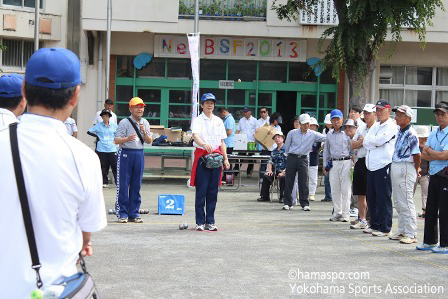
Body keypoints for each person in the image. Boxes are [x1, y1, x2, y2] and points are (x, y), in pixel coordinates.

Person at [0, 48, 107, 298]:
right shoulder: (84, 159)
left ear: (24, 90)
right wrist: (79, 245)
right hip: (55, 289)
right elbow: (85, 232)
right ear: (75, 96)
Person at [190, 93, 230, 231]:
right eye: (207, 102)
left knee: (213, 191)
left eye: (212, 102)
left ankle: (210, 221)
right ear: (202, 105)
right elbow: (195, 136)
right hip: (203, 157)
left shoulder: (219, 120)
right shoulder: (198, 120)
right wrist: (203, 144)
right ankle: (200, 222)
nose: (209, 105)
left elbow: (222, 142)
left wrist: (226, 158)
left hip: (217, 158)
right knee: (201, 190)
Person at [363, 99, 398, 237]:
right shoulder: (375, 126)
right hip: (371, 166)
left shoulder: (391, 126)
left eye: (381, 110)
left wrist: (374, 142)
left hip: (383, 165)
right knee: (371, 196)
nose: (379, 112)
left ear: (388, 110)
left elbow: (378, 141)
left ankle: (385, 227)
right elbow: (366, 142)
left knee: (383, 198)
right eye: (377, 110)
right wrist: (374, 142)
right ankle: (375, 224)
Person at [114, 97, 152, 223]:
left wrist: (144, 131)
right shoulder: (124, 122)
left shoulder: (145, 122)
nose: (140, 109)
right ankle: (122, 213)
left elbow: (149, 141)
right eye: (137, 106)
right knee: (123, 184)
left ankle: (134, 213)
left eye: (141, 107)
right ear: (130, 108)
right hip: (125, 153)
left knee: (136, 185)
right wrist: (127, 139)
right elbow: (116, 140)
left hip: (139, 153)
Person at [417, 101, 448, 253]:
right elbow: (423, 154)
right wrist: (436, 154)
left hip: (445, 175)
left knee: (444, 210)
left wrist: (432, 152)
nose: (440, 117)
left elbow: (444, 155)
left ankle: (445, 243)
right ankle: (429, 241)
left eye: (443, 114)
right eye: (437, 114)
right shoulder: (434, 133)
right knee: (430, 209)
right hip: (434, 174)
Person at [389, 105, 421, 244]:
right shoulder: (400, 131)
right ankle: (402, 230)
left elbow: (416, 154)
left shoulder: (411, 133)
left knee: (406, 201)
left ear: (408, 118)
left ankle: (411, 233)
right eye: (396, 115)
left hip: (406, 166)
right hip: (397, 165)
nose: (397, 117)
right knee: (398, 200)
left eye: (401, 115)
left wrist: (417, 168)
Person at [284, 114, 326, 211]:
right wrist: (288, 155)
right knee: (289, 180)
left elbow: (325, 138)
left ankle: (304, 203)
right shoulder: (292, 133)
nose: (306, 126)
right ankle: (287, 202)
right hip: (292, 157)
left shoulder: (313, 134)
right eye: (304, 124)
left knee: (303, 181)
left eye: (308, 123)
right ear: (300, 124)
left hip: (303, 158)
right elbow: (286, 146)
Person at [350, 104, 377, 230]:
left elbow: (374, 144)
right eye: (365, 113)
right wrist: (362, 141)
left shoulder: (378, 128)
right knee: (360, 192)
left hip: (372, 161)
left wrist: (363, 142)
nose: (366, 115)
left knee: (371, 193)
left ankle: (372, 220)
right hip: (360, 161)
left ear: (375, 114)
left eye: (369, 113)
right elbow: (353, 145)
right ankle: (362, 219)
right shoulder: (361, 128)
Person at [324, 110, 353, 222]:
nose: (336, 122)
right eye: (334, 119)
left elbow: (352, 147)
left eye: (338, 119)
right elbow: (326, 151)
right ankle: (337, 213)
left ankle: (346, 214)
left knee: (346, 189)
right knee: (335, 189)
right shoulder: (329, 134)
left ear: (342, 120)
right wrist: (325, 165)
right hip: (333, 163)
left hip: (346, 161)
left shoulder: (347, 132)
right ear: (331, 121)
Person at [88, 109, 118, 188]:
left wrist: (116, 140)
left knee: (114, 165)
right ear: (101, 117)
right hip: (102, 148)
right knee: (103, 166)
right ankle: (104, 182)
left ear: (109, 117)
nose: (105, 118)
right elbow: (89, 131)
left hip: (112, 148)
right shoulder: (98, 126)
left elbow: (119, 133)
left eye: (107, 116)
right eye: (104, 116)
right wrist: (97, 136)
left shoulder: (114, 126)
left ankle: (117, 182)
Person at [257, 132, 286, 202]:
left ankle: (283, 197)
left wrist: (284, 172)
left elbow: (291, 163)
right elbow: (270, 161)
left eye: (279, 137)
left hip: (286, 171)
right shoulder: (274, 151)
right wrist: (269, 170)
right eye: (275, 138)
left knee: (284, 177)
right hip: (276, 170)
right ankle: (265, 196)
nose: (277, 139)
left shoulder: (288, 149)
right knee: (266, 176)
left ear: (283, 138)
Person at [413, 126, 431, 218]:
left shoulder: (428, 147)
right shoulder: (414, 146)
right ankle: (409, 209)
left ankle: (425, 210)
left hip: (425, 174)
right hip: (414, 172)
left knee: (426, 193)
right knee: (410, 192)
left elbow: (430, 161)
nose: (423, 139)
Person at [235, 107, 257, 177]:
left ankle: (249, 172)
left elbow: (257, 131)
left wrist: (255, 141)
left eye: (246, 112)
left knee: (251, 158)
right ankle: (235, 171)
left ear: (250, 112)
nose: (245, 113)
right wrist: (236, 138)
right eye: (244, 112)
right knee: (240, 156)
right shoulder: (241, 120)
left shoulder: (254, 120)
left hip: (251, 141)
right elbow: (238, 130)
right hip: (243, 141)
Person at [218, 106, 236, 179]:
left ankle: (228, 177)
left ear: (224, 112)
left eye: (220, 114)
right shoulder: (227, 119)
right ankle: (226, 176)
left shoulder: (229, 119)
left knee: (227, 161)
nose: (220, 116)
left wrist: (220, 135)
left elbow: (229, 131)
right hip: (226, 142)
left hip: (228, 143)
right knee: (226, 161)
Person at [308, 117, 321, 202]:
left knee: (313, 178)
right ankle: (301, 193)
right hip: (304, 158)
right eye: (311, 125)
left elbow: (318, 147)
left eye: (314, 126)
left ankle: (312, 193)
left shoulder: (318, 136)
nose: (313, 127)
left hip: (313, 158)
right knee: (302, 178)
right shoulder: (304, 135)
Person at [321, 113, 333, 202]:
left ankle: (332, 196)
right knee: (327, 178)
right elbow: (322, 143)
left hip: (335, 157)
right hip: (328, 156)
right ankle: (328, 195)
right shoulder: (325, 130)